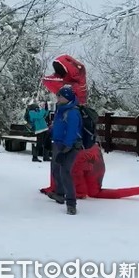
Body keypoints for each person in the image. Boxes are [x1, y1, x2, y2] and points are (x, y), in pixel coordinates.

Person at [47, 86, 83, 215]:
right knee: (56, 169)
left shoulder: (72, 112)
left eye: (60, 96)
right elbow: (60, 126)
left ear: (66, 97)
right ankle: (60, 194)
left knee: (65, 172)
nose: (57, 98)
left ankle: (71, 203)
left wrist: (66, 147)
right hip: (58, 143)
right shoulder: (60, 110)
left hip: (70, 146)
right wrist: (51, 131)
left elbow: (72, 131)